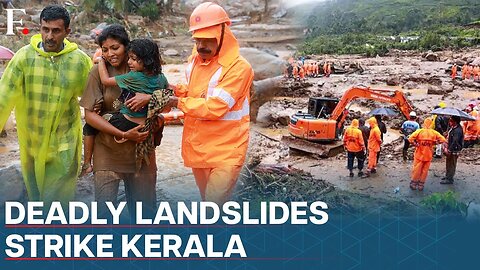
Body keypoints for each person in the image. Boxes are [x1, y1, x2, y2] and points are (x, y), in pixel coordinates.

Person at [0, 5, 92, 205]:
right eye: (45, 29)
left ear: (67, 32)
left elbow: (94, 100)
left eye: (56, 31)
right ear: (39, 28)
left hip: (64, 141)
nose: (49, 36)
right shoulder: (24, 58)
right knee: (37, 196)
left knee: (58, 199)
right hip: (32, 141)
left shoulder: (79, 61)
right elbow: (3, 98)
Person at [170, 2, 254, 204]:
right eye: (198, 40)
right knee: (207, 202)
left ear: (223, 35)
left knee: (212, 206)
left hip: (227, 150)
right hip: (199, 147)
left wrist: (176, 101)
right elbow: (196, 91)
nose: (201, 46)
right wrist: (174, 89)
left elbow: (215, 107)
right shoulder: (196, 60)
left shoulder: (239, 68)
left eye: (208, 40)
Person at [79, 24, 158, 220]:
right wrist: (122, 134)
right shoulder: (98, 71)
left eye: (115, 48)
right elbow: (89, 115)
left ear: (127, 46)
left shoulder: (145, 69)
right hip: (107, 150)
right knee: (104, 215)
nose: (110, 54)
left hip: (141, 151)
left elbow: (165, 100)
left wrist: (149, 100)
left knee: (145, 215)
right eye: (105, 50)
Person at [81, 38, 170, 175]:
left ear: (146, 61)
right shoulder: (161, 78)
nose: (129, 62)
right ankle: (158, 132)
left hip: (126, 122)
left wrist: (100, 62)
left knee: (92, 124)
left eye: (133, 59)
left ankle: (87, 163)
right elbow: (167, 98)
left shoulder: (133, 77)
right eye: (129, 58)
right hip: (147, 124)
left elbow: (105, 80)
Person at [408, 118, 446, 191]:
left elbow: (410, 139)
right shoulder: (434, 133)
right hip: (428, 155)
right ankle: (421, 185)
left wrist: (415, 144)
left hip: (419, 154)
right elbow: (443, 139)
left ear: (424, 123)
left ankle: (414, 183)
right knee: (425, 170)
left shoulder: (419, 131)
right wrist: (434, 143)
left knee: (417, 169)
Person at [441, 116, 464, 185]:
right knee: (448, 163)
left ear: (455, 122)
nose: (449, 122)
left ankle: (450, 179)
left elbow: (455, 141)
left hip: (454, 149)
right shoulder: (453, 128)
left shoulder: (458, 130)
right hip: (450, 147)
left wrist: (449, 150)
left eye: (451, 121)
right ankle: (447, 176)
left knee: (452, 164)